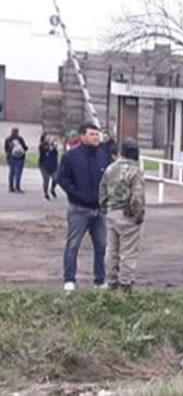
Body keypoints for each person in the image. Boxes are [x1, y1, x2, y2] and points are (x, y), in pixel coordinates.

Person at [57, 121, 113, 292]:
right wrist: (77, 194)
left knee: (101, 246)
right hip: (78, 209)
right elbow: (63, 179)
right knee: (73, 245)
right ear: (82, 136)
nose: (95, 137)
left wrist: (105, 197)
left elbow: (110, 179)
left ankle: (99, 280)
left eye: (97, 134)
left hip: (99, 210)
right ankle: (69, 279)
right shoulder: (71, 157)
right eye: (92, 134)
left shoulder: (104, 156)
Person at [99, 138, 145, 293]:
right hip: (128, 214)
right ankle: (125, 284)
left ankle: (111, 281)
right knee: (128, 251)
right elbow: (137, 197)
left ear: (121, 152)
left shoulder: (110, 168)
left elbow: (102, 190)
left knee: (111, 250)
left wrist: (105, 208)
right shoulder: (135, 171)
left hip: (112, 212)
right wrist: (138, 215)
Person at [4, 127, 28, 193]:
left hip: (11, 158)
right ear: (18, 132)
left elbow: (6, 149)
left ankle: (11, 187)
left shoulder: (7, 139)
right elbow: (25, 148)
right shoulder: (20, 139)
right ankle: (17, 187)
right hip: (20, 158)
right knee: (18, 173)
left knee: (11, 173)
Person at [38, 134, 59, 200]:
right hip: (44, 165)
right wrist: (51, 145)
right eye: (47, 138)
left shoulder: (53, 145)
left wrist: (54, 146)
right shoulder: (42, 146)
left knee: (56, 178)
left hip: (53, 165)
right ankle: (46, 194)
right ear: (44, 139)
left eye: (49, 138)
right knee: (46, 180)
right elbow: (45, 150)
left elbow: (55, 153)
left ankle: (52, 189)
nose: (49, 139)